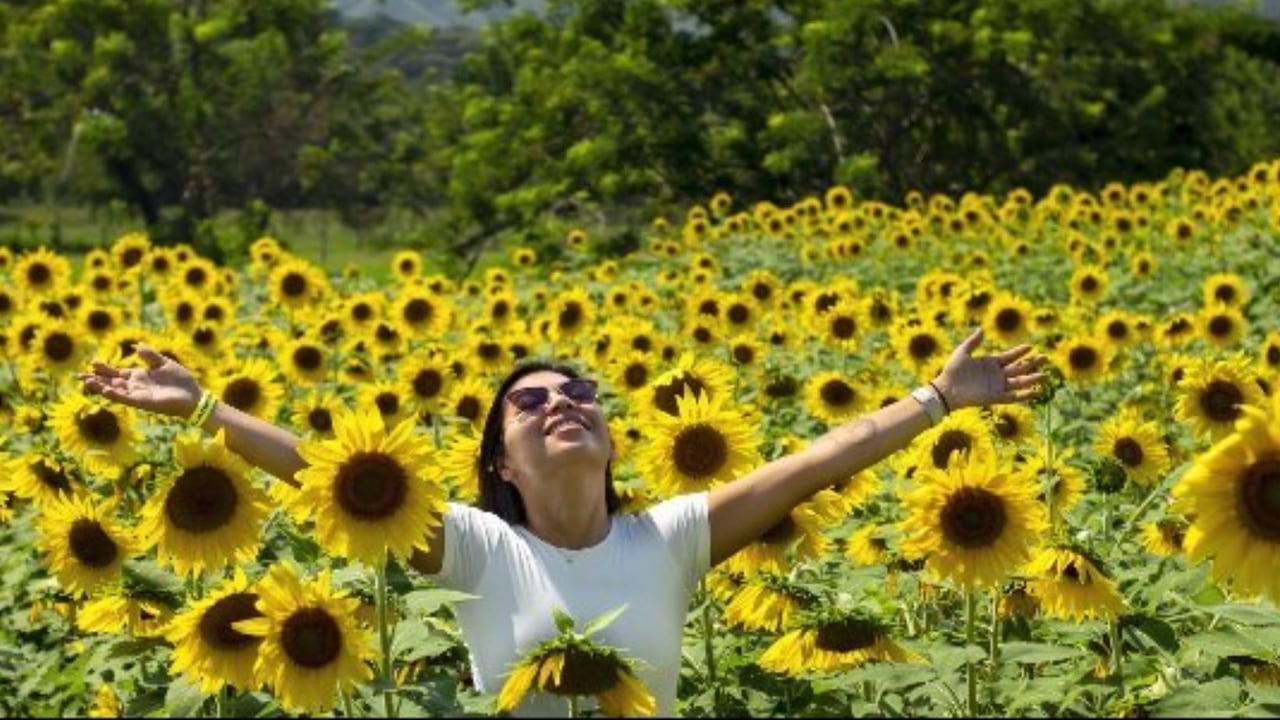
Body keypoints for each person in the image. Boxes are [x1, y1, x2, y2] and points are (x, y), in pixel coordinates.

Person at [79, 328, 1046, 716]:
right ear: (500, 460)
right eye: (531, 401)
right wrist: (205, 409)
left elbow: (813, 464)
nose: (563, 402)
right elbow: (316, 470)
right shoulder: (478, 548)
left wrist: (936, 397)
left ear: (615, 440)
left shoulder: (665, 542)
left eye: (580, 393)